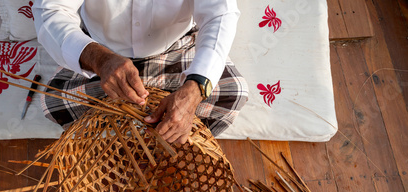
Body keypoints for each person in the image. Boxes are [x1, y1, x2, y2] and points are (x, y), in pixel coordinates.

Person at [32, 0, 248, 144]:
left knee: (233, 93)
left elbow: (220, 14)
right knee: (56, 104)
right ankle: (116, 148)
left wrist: (195, 88)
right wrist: (100, 60)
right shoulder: (100, 57)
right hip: (101, 51)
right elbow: (51, 12)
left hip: (174, 47)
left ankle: (173, 138)